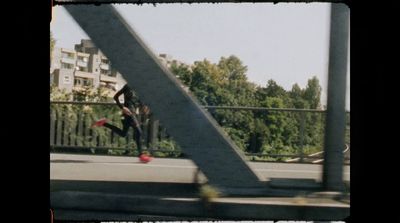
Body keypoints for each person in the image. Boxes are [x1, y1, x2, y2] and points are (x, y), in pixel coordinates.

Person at [92, 84, 152, 163]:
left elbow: (139, 103)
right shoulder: (128, 86)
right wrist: (122, 107)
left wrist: (144, 108)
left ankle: (104, 123)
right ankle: (141, 155)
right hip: (128, 113)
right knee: (139, 132)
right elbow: (115, 97)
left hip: (133, 114)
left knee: (123, 133)